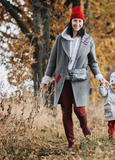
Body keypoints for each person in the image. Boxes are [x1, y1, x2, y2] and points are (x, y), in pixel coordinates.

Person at [40, 6, 109, 148]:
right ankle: (71, 141)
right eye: (75, 20)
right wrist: (45, 80)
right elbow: (52, 61)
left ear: (83, 22)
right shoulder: (60, 39)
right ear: (71, 21)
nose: (77, 24)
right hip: (63, 80)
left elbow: (92, 61)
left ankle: (84, 127)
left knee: (79, 110)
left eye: (80, 21)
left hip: (81, 80)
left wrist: (99, 76)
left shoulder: (88, 40)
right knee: (66, 112)